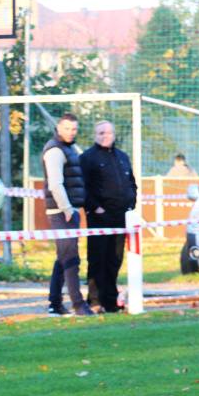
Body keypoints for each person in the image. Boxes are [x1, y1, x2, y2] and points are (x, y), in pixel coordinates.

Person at [81, 121, 137, 313]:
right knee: (97, 258)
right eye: (101, 133)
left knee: (115, 259)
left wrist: (131, 204)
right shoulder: (88, 158)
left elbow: (131, 183)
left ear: (114, 134)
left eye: (109, 132)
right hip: (99, 219)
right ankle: (94, 301)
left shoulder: (122, 157)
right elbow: (83, 188)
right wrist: (95, 208)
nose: (105, 136)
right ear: (95, 135)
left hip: (121, 217)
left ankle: (110, 301)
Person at [41, 114, 93, 317]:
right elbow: (55, 184)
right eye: (68, 128)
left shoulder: (67, 148)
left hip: (69, 211)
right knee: (71, 259)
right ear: (59, 128)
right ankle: (79, 305)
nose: (71, 132)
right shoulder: (55, 150)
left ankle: (54, 304)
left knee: (63, 257)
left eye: (74, 129)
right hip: (62, 212)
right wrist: (67, 209)